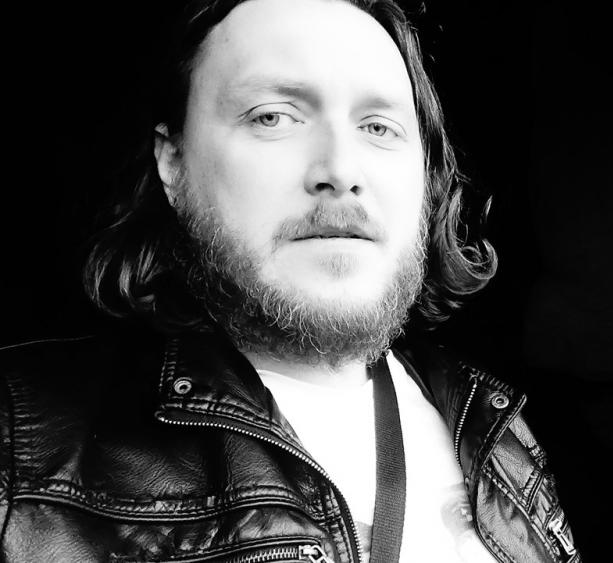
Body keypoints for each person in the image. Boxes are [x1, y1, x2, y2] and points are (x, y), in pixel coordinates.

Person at [0, 1, 578, 561]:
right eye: (272, 117)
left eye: (379, 127)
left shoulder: (496, 425)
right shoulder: (18, 447)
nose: (341, 170)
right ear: (172, 162)